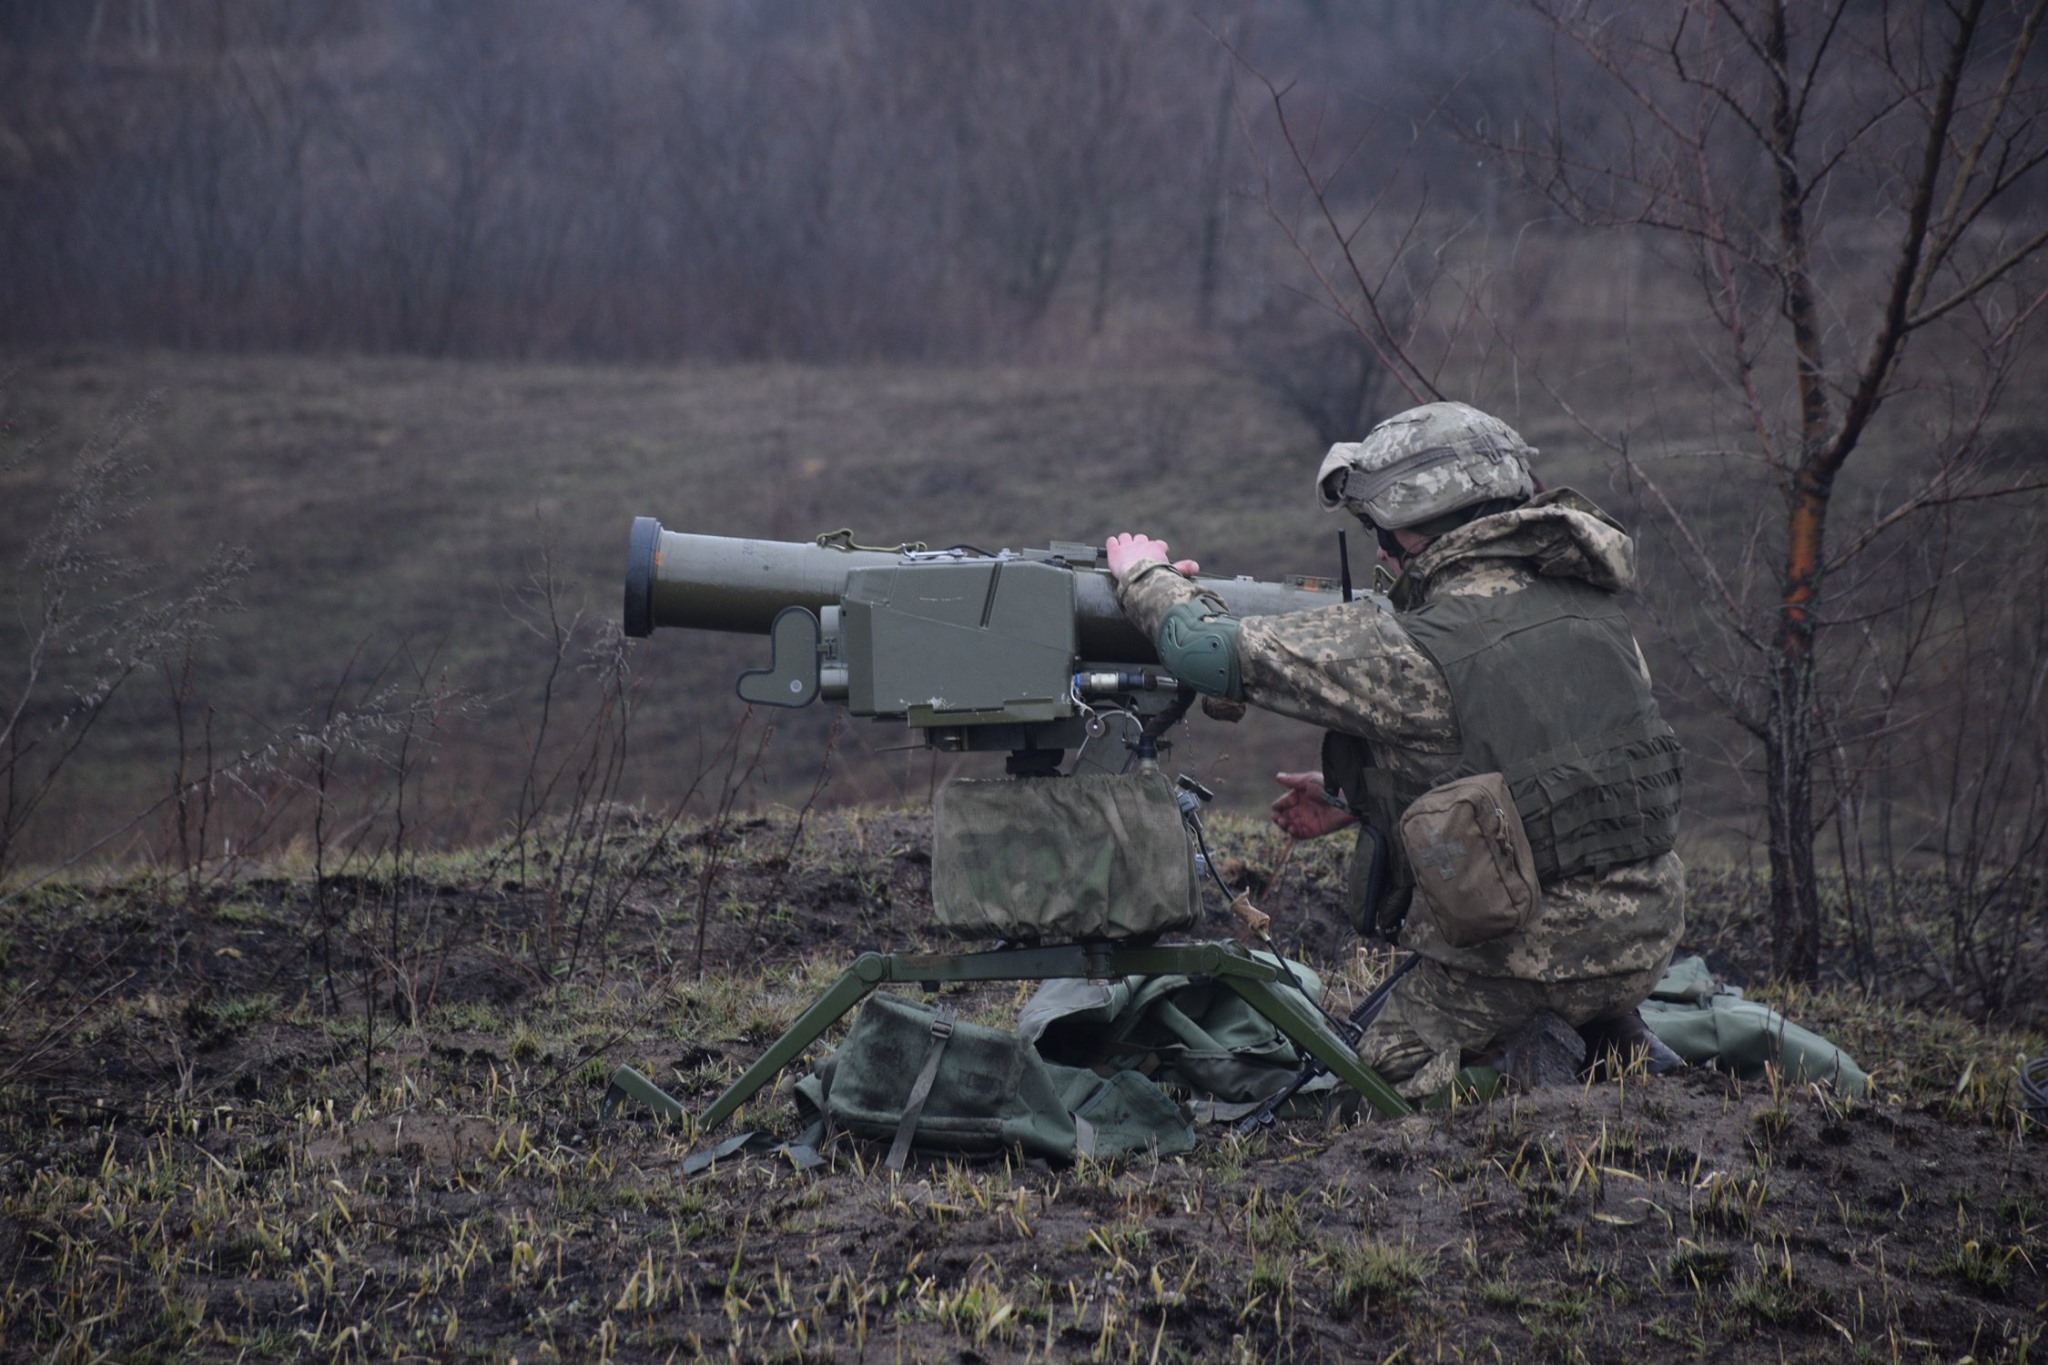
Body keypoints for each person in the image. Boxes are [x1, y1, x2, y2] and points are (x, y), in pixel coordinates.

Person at [1104, 401, 1684, 1098]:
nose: (1378, 549)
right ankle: (1607, 1030)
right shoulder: (1595, 615)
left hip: (1524, 960)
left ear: (1433, 524)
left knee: (1356, 1086)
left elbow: (1205, 651)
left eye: (1382, 529)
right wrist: (1357, 798)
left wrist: (1145, 575)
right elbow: (1544, 767)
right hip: (1646, 939)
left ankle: (1525, 1061)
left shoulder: (1416, 646)